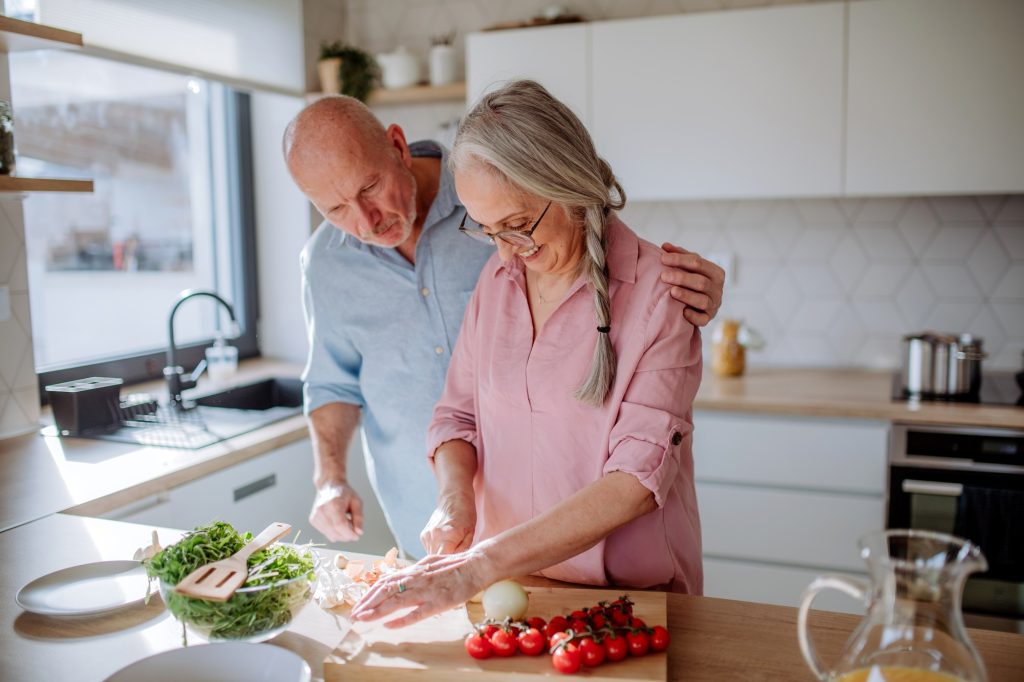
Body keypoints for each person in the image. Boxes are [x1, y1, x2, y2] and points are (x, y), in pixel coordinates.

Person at [282, 94, 724, 558]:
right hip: (440, 533)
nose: (365, 220)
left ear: (397, 145)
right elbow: (339, 385)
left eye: (370, 187)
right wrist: (331, 479)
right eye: (334, 209)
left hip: (576, 555)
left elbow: (606, 257)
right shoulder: (332, 265)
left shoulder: (496, 198)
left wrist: (672, 296)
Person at [351, 80, 703, 629]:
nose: (506, 250)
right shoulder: (498, 278)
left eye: (518, 226)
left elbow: (636, 479)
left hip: (632, 600)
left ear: (568, 183)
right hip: (514, 590)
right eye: (487, 230)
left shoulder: (661, 291)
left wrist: (478, 565)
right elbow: (456, 416)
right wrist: (454, 497)